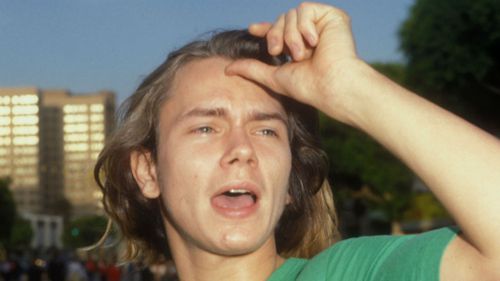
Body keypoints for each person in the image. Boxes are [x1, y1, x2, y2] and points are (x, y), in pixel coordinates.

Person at [94, 2, 500, 280]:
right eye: (206, 128)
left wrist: (350, 87)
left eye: (266, 130)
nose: (242, 149)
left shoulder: (347, 273)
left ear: (291, 181)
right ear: (148, 170)